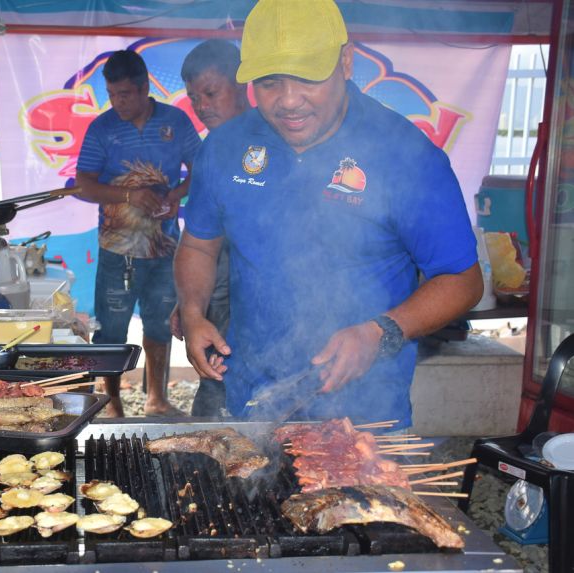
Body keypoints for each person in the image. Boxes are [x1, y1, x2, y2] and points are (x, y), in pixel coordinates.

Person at [174, 0, 483, 429]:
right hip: (251, 400)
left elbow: (462, 280)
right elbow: (198, 244)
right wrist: (192, 311)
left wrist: (380, 332)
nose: (287, 101)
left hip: (363, 415)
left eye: (308, 78)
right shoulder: (226, 147)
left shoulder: (405, 155)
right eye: (268, 82)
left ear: (346, 61)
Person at [76, 49, 200, 417]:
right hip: (118, 249)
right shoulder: (102, 128)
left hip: (165, 247)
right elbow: (83, 184)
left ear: (145, 87)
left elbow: (201, 169)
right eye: (112, 95)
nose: (118, 103)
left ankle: (156, 399)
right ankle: (112, 402)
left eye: (125, 95)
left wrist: (177, 196)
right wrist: (129, 195)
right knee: (111, 330)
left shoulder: (176, 122)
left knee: (162, 323)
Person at [170, 39, 249, 417]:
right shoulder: (210, 151)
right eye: (194, 97)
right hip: (218, 298)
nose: (201, 106)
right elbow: (199, 243)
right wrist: (189, 304)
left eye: (211, 93)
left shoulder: (274, 142)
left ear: (243, 84)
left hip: (262, 306)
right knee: (214, 393)